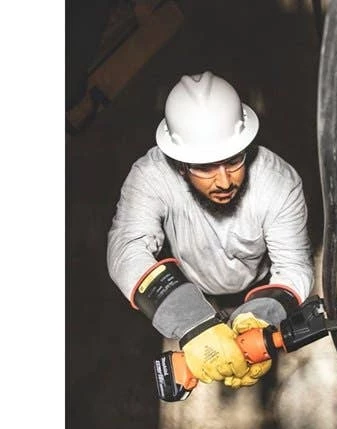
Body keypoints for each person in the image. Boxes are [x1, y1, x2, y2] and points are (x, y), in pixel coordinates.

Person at [107, 71, 314, 390]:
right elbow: (126, 249)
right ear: (179, 164)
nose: (225, 181)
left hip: (257, 286)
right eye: (205, 166)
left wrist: (262, 316)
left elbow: (294, 266)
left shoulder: (279, 184)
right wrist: (192, 322)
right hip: (189, 289)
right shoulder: (151, 175)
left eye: (233, 160)